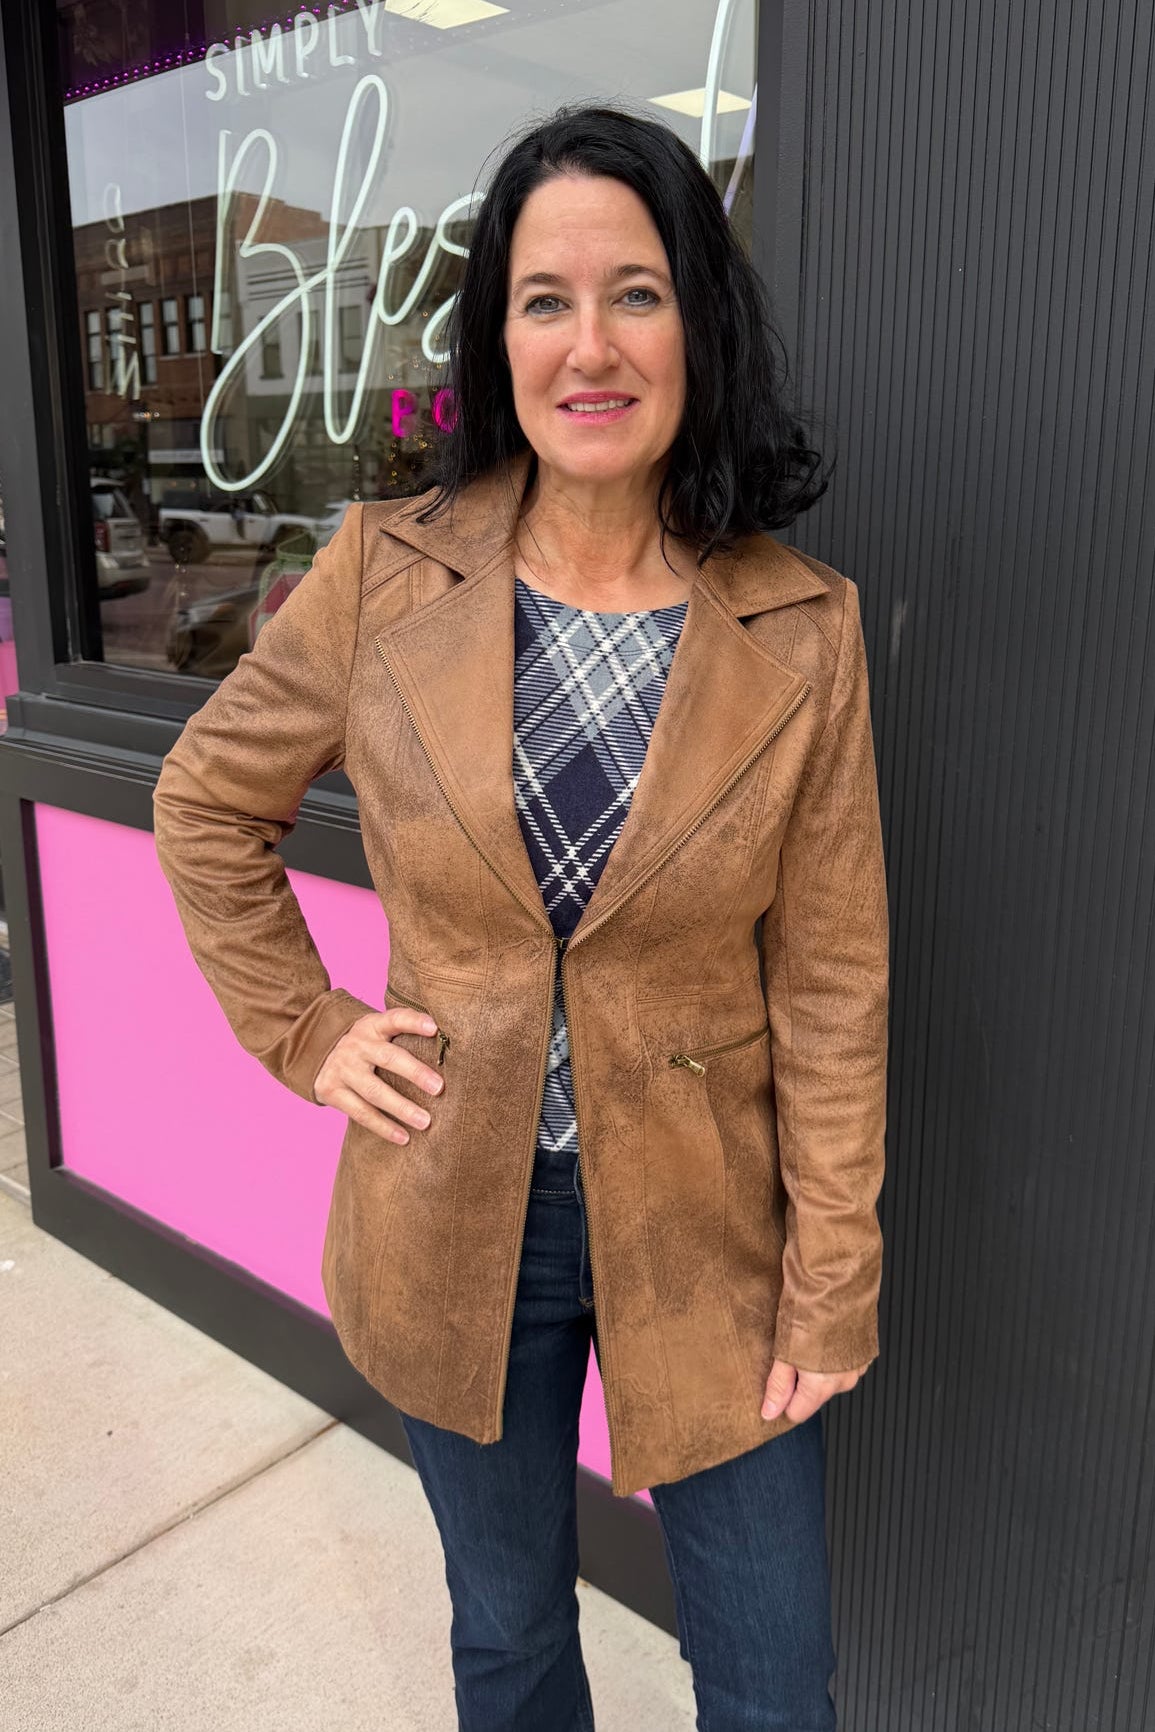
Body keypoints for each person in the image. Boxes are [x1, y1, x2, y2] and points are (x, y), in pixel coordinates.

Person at [153, 102, 889, 1732]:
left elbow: (833, 981)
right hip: (456, 1202)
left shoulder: (800, 625)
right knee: (508, 1641)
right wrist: (311, 1028)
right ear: (499, 336)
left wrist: (834, 1274)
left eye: (635, 290)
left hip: (715, 1227)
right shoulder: (383, 575)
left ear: (700, 314)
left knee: (776, 1684)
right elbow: (206, 804)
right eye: (544, 299)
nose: (591, 343)